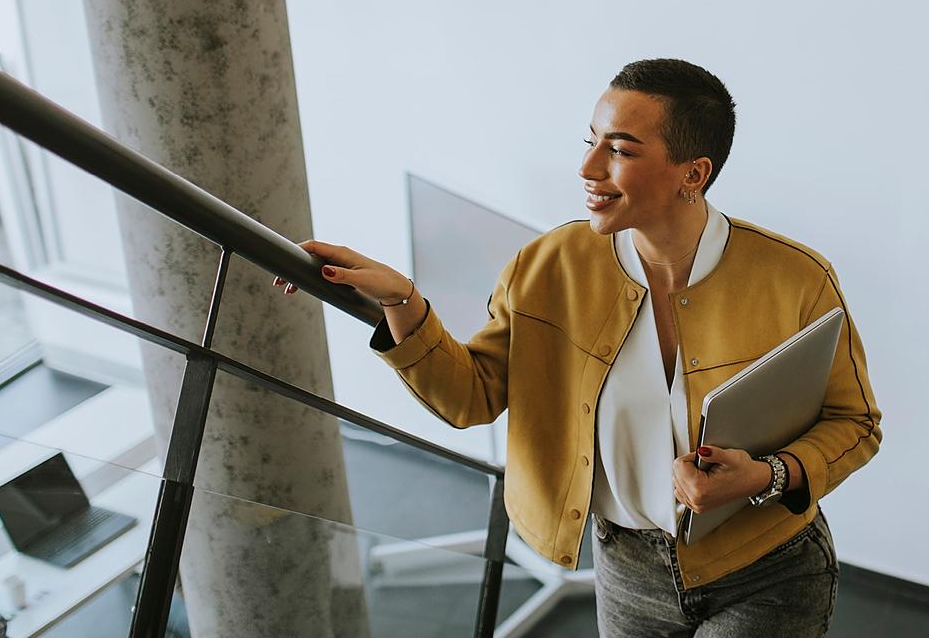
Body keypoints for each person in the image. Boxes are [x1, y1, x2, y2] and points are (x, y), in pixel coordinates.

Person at [283, 59, 881, 636]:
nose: (588, 167)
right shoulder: (547, 266)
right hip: (624, 571)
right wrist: (399, 298)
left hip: (766, 567)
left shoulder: (796, 278)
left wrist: (765, 474)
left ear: (692, 174)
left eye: (619, 149)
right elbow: (470, 399)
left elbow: (855, 422)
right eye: (590, 141)